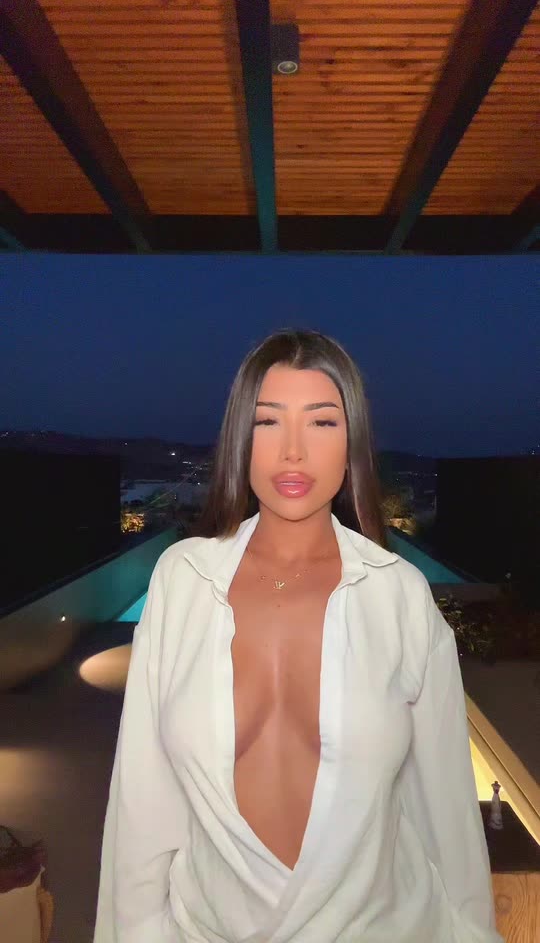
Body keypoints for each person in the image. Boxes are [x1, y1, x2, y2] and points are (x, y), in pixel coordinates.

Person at [94, 329, 502, 943]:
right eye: (268, 422)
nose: (292, 451)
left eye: (321, 422)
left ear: (351, 444)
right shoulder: (183, 581)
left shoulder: (398, 595)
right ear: (241, 439)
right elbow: (142, 803)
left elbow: (446, 813)